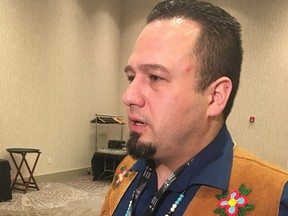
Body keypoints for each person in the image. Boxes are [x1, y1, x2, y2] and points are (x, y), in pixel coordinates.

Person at [100, 0, 288, 215]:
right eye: (131, 77)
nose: (128, 96)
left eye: (155, 77)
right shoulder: (127, 169)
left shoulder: (274, 199)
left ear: (215, 97)